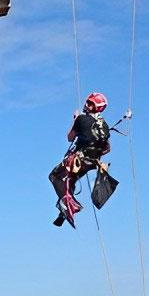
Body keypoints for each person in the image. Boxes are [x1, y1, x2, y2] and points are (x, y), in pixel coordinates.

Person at [49, 91, 116, 228]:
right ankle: (63, 211)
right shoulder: (104, 126)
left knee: (54, 176)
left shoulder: (81, 119)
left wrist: (75, 120)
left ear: (96, 107)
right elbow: (107, 148)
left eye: (90, 104)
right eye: (87, 102)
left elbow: (70, 138)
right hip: (91, 163)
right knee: (70, 181)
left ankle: (71, 205)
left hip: (79, 160)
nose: (86, 105)